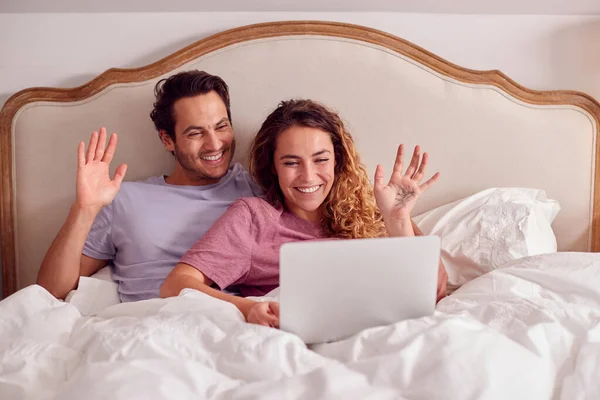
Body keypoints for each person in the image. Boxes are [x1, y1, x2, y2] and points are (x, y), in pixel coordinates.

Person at [160, 99, 448, 327]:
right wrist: (249, 309)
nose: (308, 176)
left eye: (320, 159)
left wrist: (398, 221)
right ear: (272, 166)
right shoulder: (253, 217)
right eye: (291, 163)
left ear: (338, 160)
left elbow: (431, 293)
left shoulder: (377, 208)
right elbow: (176, 285)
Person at [37, 70, 260, 302]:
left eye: (221, 127)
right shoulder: (123, 199)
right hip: (148, 325)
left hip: (228, 322)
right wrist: (84, 209)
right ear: (167, 140)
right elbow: (51, 292)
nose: (214, 144)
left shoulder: (255, 191)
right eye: (196, 133)